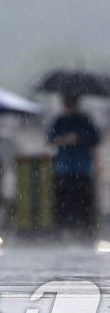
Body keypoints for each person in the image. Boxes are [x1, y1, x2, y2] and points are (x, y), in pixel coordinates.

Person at [47, 92, 102, 239]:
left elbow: (96, 139)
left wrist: (79, 138)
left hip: (82, 168)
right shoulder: (59, 121)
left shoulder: (85, 120)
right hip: (63, 168)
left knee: (83, 203)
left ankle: (85, 232)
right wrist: (63, 140)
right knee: (63, 203)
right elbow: (50, 138)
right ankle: (63, 231)